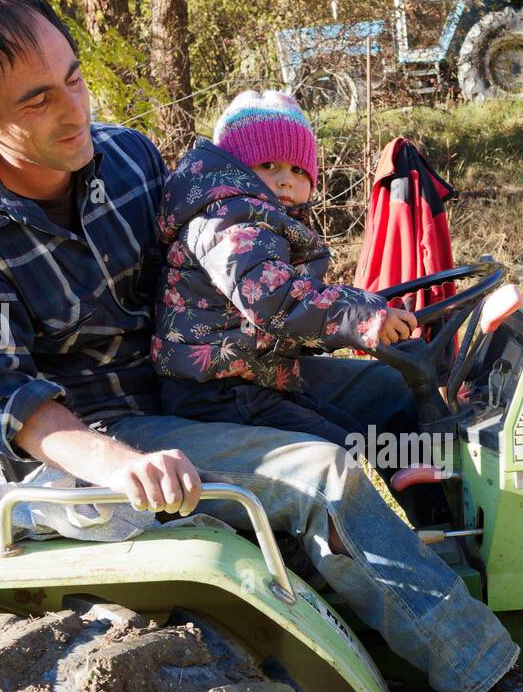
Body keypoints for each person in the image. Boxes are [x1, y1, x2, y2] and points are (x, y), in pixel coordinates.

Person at [0, 0, 523, 692]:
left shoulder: (127, 158)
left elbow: (220, 261)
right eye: (36, 101)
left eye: (74, 77)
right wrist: (122, 464)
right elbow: (7, 396)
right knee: (321, 475)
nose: (73, 110)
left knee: (398, 392)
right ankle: (491, 690)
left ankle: (434, 575)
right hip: (102, 430)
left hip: (198, 380)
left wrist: (330, 317)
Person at [153, 88, 416, 450]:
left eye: (297, 169)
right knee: (346, 452)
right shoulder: (229, 221)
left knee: (369, 440)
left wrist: (366, 304)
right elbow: (274, 301)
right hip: (213, 391)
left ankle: (434, 495)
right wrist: (360, 316)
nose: (285, 180)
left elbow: (292, 297)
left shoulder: (264, 221)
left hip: (255, 379)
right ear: (236, 169)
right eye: (268, 165)